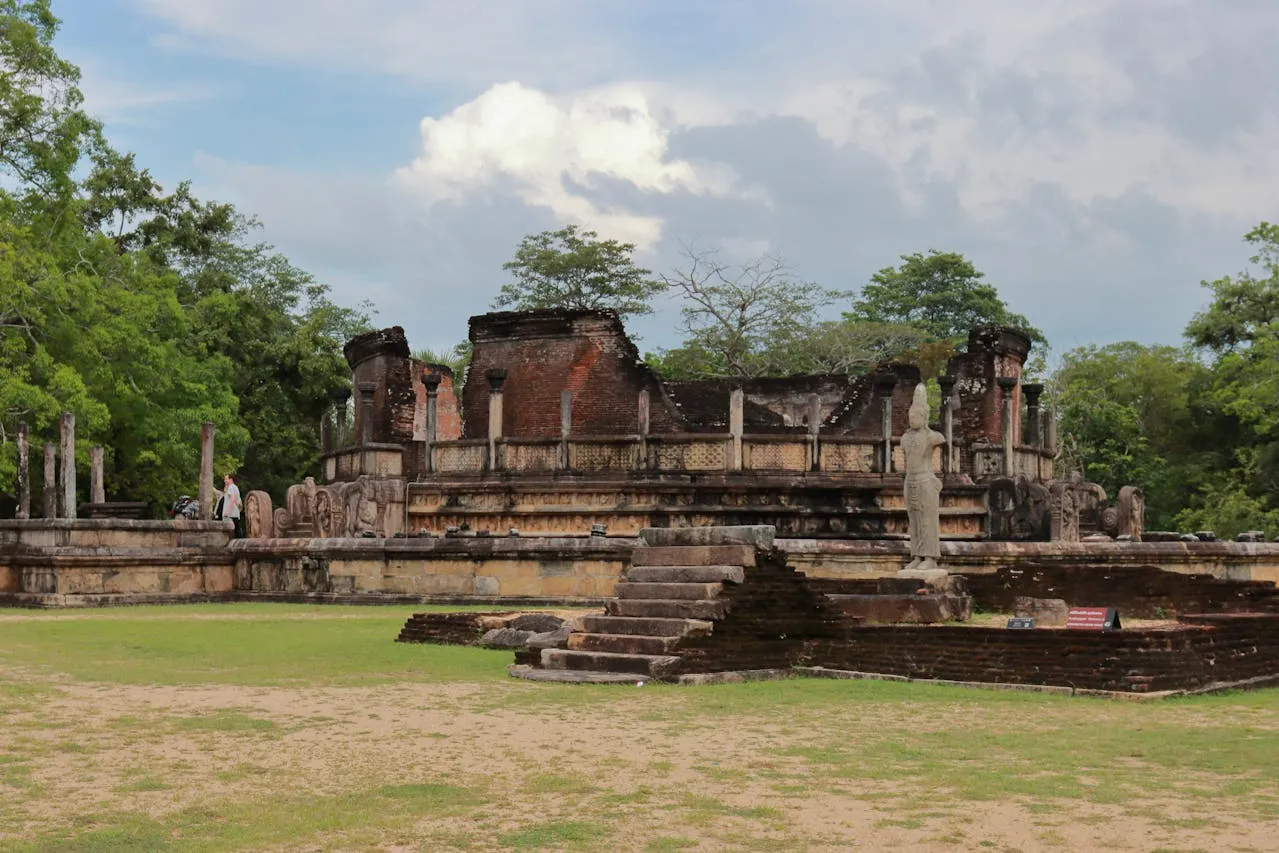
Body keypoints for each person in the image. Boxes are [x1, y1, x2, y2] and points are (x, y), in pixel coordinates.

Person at [901, 382, 946, 573]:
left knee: (928, 520)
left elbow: (941, 439)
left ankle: (930, 557)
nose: (912, 419)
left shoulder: (933, 437)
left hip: (926, 481)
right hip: (910, 480)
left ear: (925, 417)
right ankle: (917, 555)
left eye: (917, 416)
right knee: (914, 521)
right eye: (910, 416)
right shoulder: (905, 437)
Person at [215, 473, 244, 538]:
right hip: (235, 513)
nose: (224, 480)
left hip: (229, 514)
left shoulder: (231, 487)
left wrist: (228, 511)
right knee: (237, 530)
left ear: (231, 479)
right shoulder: (235, 487)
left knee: (227, 531)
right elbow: (237, 501)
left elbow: (232, 499)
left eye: (226, 479)